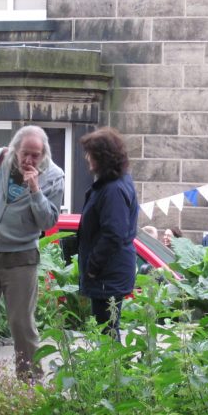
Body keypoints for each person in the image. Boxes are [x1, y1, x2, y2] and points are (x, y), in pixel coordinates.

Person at [0, 125, 65, 381]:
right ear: (14, 149)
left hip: (21, 258)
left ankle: (30, 385)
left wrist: (35, 191)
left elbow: (48, 222)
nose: (30, 160)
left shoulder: (54, 176)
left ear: (44, 153)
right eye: (25, 154)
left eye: (36, 155)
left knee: (22, 326)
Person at [78, 127, 139, 341]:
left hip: (107, 274)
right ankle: (110, 373)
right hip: (110, 272)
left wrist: (93, 269)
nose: (87, 158)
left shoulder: (113, 189)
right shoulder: (112, 184)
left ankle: (111, 374)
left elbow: (113, 233)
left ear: (102, 157)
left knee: (107, 334)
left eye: (91, 154)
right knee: (107, 331)